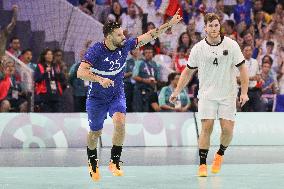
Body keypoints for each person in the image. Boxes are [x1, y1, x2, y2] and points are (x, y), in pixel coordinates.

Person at [77, 11, 182, 181]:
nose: (123, 36)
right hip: (97, 98)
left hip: (117, 94)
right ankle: (92, 162)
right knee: (95, 132)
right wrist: (99, 79)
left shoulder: (124, 46)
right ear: (109, 37)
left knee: (120, 122)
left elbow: (149, 35)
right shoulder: (96, 50)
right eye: (119, 34)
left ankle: (115, 161)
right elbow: (81, 72)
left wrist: (169, 24)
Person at [169, 13, 249, 177]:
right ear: (205, 28)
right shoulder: (198, 48)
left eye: (216, 25)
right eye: (210, 25)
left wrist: (245, 92)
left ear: (220, 27)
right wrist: (176, 91)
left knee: (227, 131)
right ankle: (203, 164)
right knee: (207, 127)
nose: (214, 28)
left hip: (228, 94)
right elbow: (187, 72)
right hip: (206, 95)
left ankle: (219, 154)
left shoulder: (231, 45)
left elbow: (243, 69)